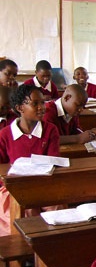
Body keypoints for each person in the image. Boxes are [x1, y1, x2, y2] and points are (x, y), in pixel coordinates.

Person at [0, 85, 60, 235]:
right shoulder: (5, 134)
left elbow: (53, 161)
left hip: (44, 184)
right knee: (25, 212)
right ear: (20, 108)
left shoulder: (50, 130)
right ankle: (24, 252)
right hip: (14, 187)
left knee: (57, 210)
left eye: (43, 102)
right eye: (35, 104)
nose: (42, 107)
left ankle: (50, 249)